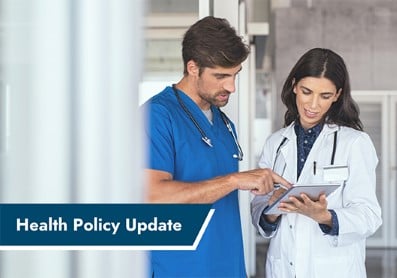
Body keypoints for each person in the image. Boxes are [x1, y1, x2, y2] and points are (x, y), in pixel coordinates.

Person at [142, 16, 290, 278]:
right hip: (179, 269)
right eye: (221, 76)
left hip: (228, 265)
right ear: (193, 67)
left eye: (235, 75)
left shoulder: (224, 123)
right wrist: (234, 180)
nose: (231, 87)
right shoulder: (157, 116)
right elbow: (152, 195)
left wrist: (270, 197)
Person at [251, 48, 382, 277]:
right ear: (294, 86)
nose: (313, 105)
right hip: (283, 267)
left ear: (337, 95)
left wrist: (324, 215)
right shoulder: (276, 143)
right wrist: (271, 209)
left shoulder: (354, 143)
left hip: (334, 268)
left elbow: (369, 216)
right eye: (306, 91)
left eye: (324, 96)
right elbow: (258, 210)